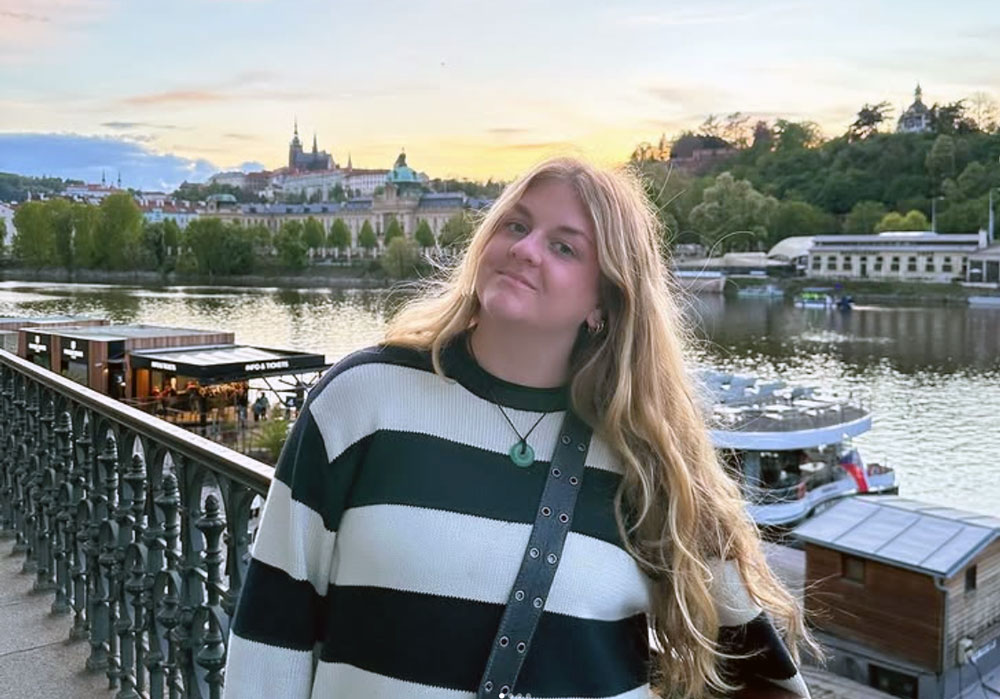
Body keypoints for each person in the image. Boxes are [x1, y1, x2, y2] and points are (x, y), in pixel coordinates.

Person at [223, 157, 814, 699]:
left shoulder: (645, 454)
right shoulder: (364, 400)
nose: (526, 249)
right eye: (515, 225)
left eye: (563, 247)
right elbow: (272, 632)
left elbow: (758, 673)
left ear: (604, 302)